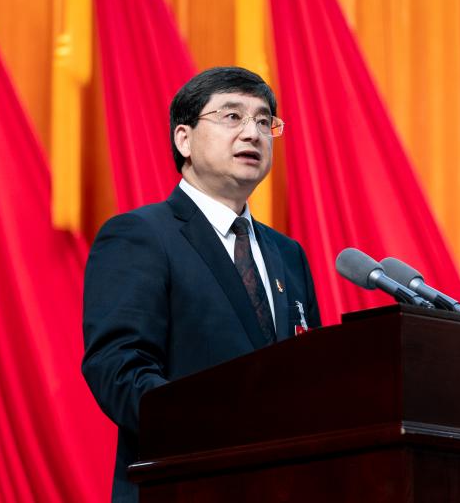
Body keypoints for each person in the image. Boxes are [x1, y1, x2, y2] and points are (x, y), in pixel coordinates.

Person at [82, 67, 322, 502]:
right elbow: (118, 369)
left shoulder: (289, 255)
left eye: (264, 121)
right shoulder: (141, 236)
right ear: (184, 139)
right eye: (232, 117)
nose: (252, 133)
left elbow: (311, 378)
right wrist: (223, 426)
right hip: (183, 486)